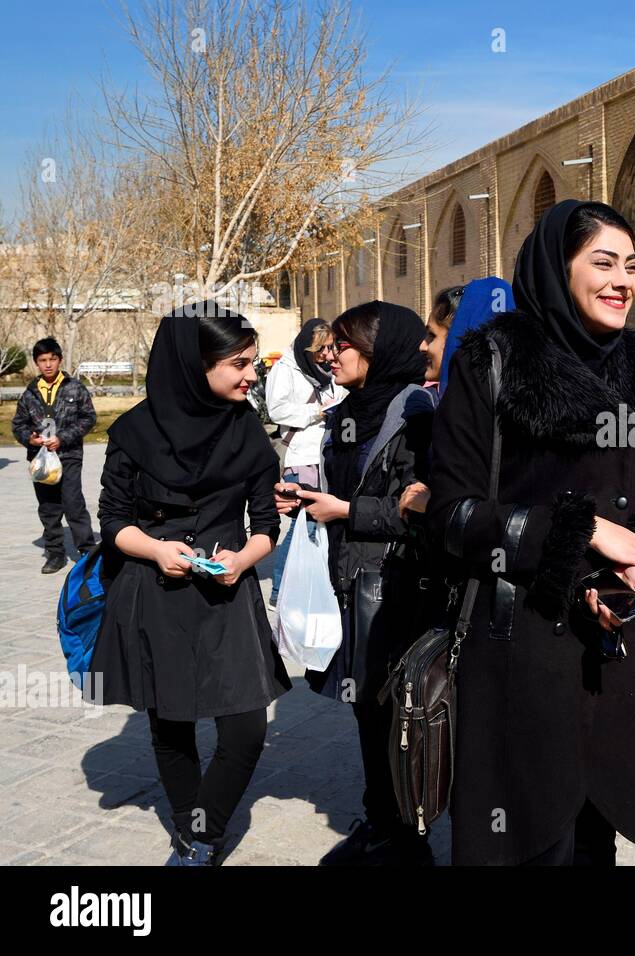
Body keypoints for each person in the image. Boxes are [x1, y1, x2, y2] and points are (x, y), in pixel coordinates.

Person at [424, 199, 635, 865]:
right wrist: (586, 533)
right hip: (519, 654)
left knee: (593, 843)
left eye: (631, 267)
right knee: (525, 842)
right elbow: (450, 515)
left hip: (616, 650)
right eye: (602, 263)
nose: (622, 281)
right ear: (556, 268)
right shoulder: (491, 362)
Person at [91, 305, 290, 866]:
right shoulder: (133, 431)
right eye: (239, 364)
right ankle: (194, 835)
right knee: (172, 723)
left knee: (246, 729)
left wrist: (242, 558)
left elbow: (267, 526)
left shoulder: (247, 427)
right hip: (157, 593)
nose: (251, 375)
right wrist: (156, 549)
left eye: (253, 363)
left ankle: (205, 825)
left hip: (228, 593)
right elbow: (112, 521)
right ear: (193, 366)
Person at [274, 300, 437, 866]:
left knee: (398, 710)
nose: (329, 353)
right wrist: (301, 500)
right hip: (347, 578)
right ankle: (382, 817)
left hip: (394, 587)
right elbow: (338, 487)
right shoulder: (350, 411)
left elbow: (421, 511)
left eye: (341, 344)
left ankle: (410, 837)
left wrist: (345, 510)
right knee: (366, 705)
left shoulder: (414, 412)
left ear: (377, 349)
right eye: (329, 344)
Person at [265, 318, 346, 606]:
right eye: (321, 349)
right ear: (307, 347)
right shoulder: (285, 369)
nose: (327, 354)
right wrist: (316, 412)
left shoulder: (324, 371)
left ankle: (300, 586)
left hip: (322, 454)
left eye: (329, 348)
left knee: (312, 523)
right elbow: (276, 410)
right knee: (306, 521)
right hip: (300, 456)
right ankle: (278, 591)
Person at [10, 337, 97, 572]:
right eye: (42, 360)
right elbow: (18, 425)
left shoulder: (75, 387)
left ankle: (88, 553)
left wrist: (63, 438)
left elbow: (89, 418)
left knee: (73, 503)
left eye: (52, 359)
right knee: (48, 507)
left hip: (68, 456)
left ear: (59, 360)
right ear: (36, 363)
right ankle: (55, 553)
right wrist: (30, 438)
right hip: (40, 461)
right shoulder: (30, 393)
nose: (48, 364)